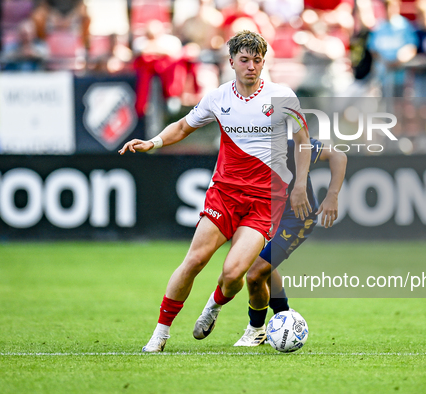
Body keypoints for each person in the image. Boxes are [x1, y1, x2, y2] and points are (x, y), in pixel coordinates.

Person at [118, 30, 311, 352]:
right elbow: (182, 126)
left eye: (258, 60)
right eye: (245, 60)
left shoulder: (282, 97)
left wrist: (301, 184)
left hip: (266, 199)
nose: (251, 66)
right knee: (194, 260)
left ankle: (215, 304)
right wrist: (153, 142)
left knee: (235, 272)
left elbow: (304, 142)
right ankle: (160, 334)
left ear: (264, 62)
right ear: (232, 61)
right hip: (225, 192)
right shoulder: (218, 98)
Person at [233, 138, 347, 346]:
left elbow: (338, 155)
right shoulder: (245, 148)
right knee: (262, 267)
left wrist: (332, 195)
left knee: (254, 274)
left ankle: (256, 329)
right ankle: (283, 315)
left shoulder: (291, 147)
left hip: (295, 220)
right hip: (266, 217)